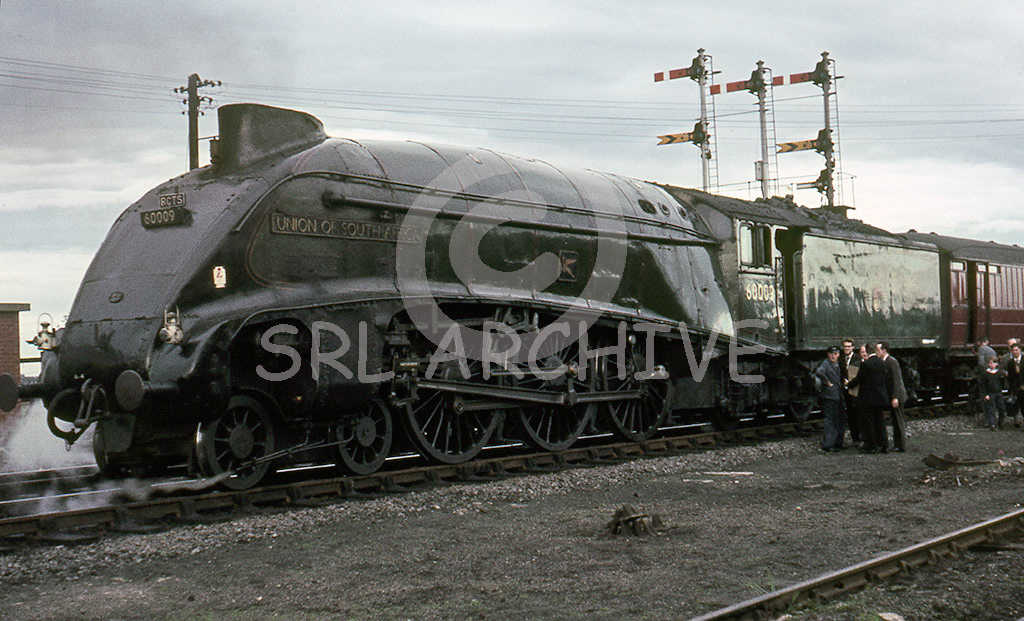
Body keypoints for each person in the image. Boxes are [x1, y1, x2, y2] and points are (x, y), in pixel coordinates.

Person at [846, 344, 890, 453]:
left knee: (869, 422)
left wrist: (848, 385)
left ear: (868, 351)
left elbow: (859, 379)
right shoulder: (883, 363)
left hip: (868, 398)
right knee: (880, 421)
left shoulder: (866, 364)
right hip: (880, 397)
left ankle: (871, 446)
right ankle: (884, 444)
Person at [877, 341, 908, 452]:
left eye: (878, 350)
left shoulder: (892, 362)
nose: (877, 352)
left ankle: (901, 446)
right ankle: (897, 444)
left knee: (898, 421)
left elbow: (897, 381)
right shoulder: (886, 362)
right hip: (892, 396)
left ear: (884, 350)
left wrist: (895, 397)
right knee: (895, 421)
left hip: (897, 396)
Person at [815, 346, 847, 451]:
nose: (834, 356)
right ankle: (828, 444)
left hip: (837, 395)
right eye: (832, 354)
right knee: (831, 420)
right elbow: (819, 372)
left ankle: (837, 443)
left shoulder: (837, 364)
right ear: (828, 354)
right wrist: (827, 382)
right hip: (829, 396)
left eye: (836, 354)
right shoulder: (825, 364)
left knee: (838, 419)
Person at [839, 338, 861, 445]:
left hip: (856, 391)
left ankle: (860, 437)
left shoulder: (858, 359)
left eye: (849, 346)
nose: (847, 349)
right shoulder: (840, 359)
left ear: (852, 347)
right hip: (846, 392)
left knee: (858, 414)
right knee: (851, 415)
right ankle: (855, 438)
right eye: (845, 347)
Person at [981, 356, 1008, 430]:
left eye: (994, 363)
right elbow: (983, 385)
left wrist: (1002, 390)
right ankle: (992, 424)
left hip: (999, 393)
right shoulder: (985, 373)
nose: (992, 365)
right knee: (991, 409)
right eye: (990, 363)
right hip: (990, 393)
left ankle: (1001, 423)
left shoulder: (999, 373)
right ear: (988, 364)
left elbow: (1002, 382)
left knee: (1002, 408)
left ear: (996, 364)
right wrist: (985, 394)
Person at [1004, 343, 1024, 427]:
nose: (1014, 352)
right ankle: (1019, 421)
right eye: (1013, 350)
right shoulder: (1010, 363)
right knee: (1020, 404)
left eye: (1016, 350)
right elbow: (1011, 377)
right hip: (1016, 388)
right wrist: (1011, 389)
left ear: (1020, 350)